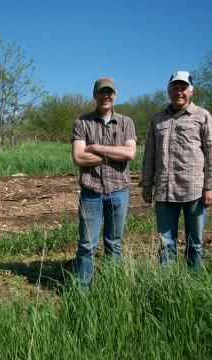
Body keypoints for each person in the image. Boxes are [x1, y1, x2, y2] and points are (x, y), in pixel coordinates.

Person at [140, 70, 212, 272]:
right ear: (169, 90)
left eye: (183, 88)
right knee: (166, 243)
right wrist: (146, 183)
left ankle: (193, 283)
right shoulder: (157, 119)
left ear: (191, 91)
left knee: (195, 243)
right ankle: (168, 284)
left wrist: (210, 186)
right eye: (175, 87)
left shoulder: (202, 116)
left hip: (194, 190)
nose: (179, 92)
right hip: (165, 192)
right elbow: (149, 154)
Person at [72, 77, 137, 287]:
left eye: (109, 92)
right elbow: (79, 158)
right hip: (91, 191)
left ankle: (112, 286)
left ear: (115, 95)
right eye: (102, 92)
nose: (106, 96)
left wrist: (98, 148)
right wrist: (116, 154)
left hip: (119, 191)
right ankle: (82, 289)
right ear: (95, 95)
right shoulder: (82, 123)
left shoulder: (126, 122)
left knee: (114, 244)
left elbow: (131, 154)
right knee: (86, 244)